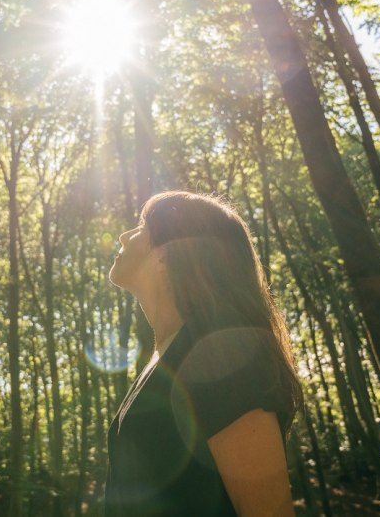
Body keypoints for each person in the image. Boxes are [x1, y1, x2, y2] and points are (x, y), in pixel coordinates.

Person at [105, 191, 302, 517]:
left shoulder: (222, 354)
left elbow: (269, 511)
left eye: (142, 225)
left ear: (169, 251)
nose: (125, 235)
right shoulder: (164, 358)